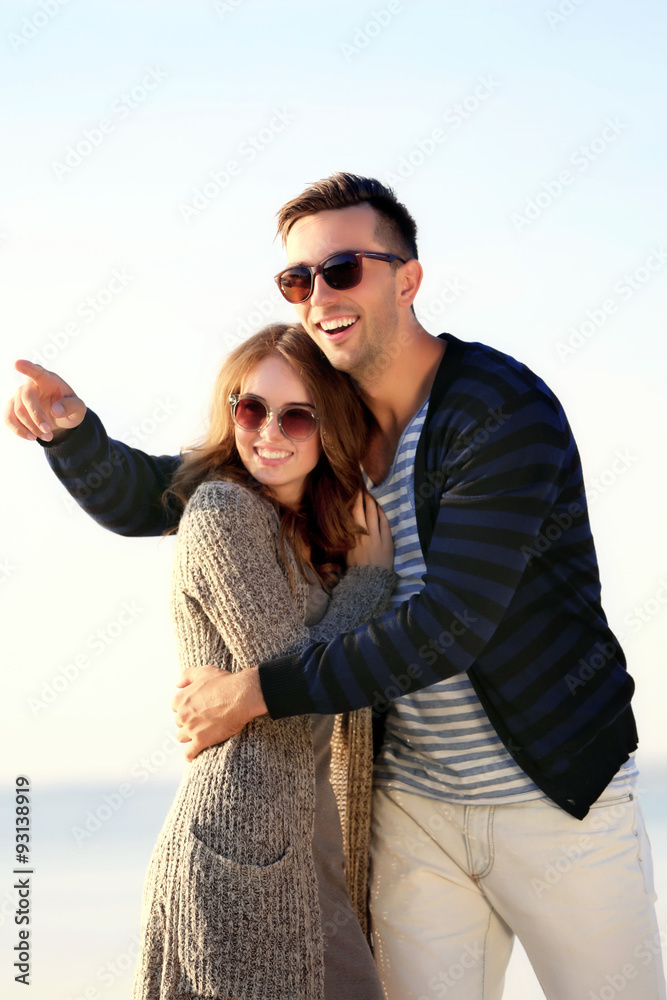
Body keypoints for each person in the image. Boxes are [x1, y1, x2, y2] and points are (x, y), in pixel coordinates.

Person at [6, 173, 665, 1000]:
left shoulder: (498, 412)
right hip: (408, 817)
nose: (317, 297)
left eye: (343, 269)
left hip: (557, 801)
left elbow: (448, 625)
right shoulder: (322, 418)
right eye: (296, 280)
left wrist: (257, 691)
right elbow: (172, 489)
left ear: (407, 279)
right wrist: (71, 434)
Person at [12, 323, 397, 999]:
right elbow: (296, 682)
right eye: (251, 409)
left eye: (296, 416)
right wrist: (371, 579)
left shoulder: (309, 525)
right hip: (240, 848)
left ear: (329, 426)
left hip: (306, 851)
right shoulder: (223, 510)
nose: (268, 432)